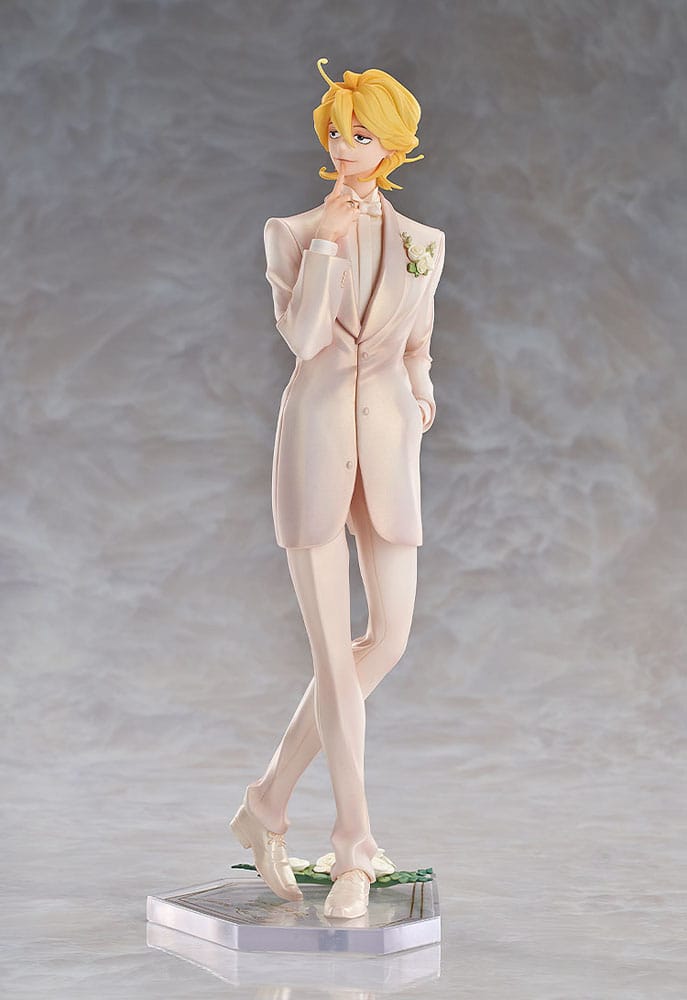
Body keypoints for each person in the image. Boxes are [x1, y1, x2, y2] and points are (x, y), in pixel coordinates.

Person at [230, 57, 445, 919]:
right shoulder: (290, 232)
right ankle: (353, 846)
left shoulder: (424, 241)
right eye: (336, 132)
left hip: (389, 450)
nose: (345, 146)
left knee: (385, 639)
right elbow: (303, 335)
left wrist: (422, 397)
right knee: (331, 657)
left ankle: (265, 801)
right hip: (314, 446)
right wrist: (324, 239)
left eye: (361, 134)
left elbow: (418, 341)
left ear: (392, 143)